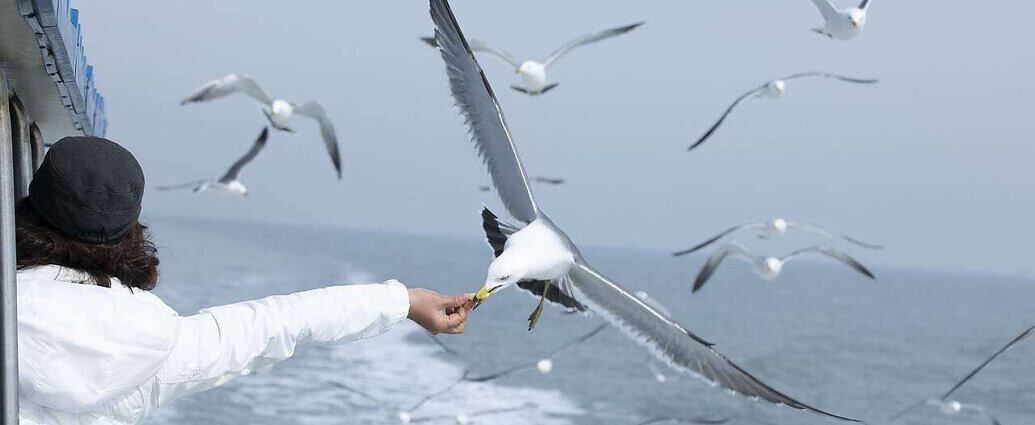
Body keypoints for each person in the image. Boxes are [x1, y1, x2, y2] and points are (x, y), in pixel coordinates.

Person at [14, 136, 473, 425]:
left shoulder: (12, 315)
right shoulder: (158, 347)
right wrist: (404, 301)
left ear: (26, 212)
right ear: (129, 234)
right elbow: (283, 322)